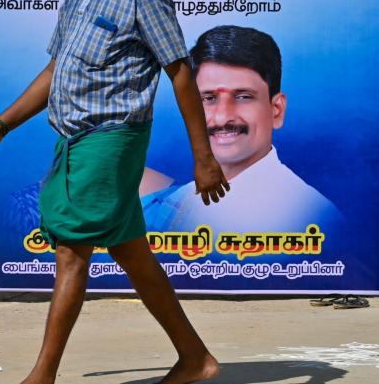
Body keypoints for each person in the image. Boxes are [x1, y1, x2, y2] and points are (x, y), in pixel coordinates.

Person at [0, 0, 227, 384]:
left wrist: (204, 157)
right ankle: (195, 358)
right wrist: (0, 126)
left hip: (111, 141)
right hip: (75, 141)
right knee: (130, 251)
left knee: (71, 250)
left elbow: (181, 75)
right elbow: (54, 69)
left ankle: (41, 379)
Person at [143, 25, 341, 233]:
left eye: (243, 97)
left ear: (277, 110)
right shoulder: (176, 203)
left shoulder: (316, 218)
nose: (222, 117)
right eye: (208, 98)